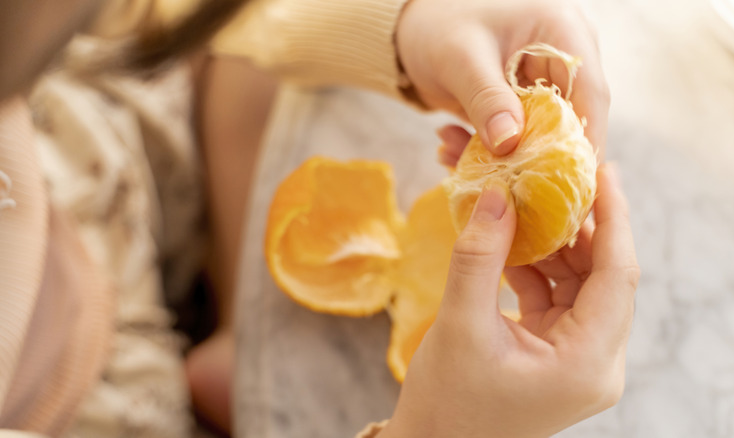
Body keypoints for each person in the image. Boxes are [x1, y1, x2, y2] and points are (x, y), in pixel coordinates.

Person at [0, 0, 637, 437]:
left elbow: (166, 13)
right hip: (65, 403)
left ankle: (232, 330)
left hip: (73, 179)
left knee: (252, 68)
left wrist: (406, 27)